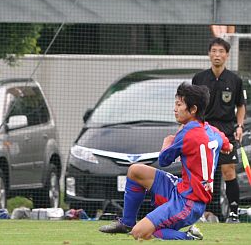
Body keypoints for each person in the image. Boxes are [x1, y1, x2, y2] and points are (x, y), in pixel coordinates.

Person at [99, 82, 233, 240]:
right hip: (182, 188)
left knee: (139, 233)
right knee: (135, 171)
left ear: (193, 109)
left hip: (189, 202)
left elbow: (164, 160)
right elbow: (227, 145)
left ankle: (189, 237)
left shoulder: (187, 134)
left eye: (179, 104)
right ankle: (127, 222)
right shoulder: (212, 130)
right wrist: (227, 147)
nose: (174, 109)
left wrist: (168, 141)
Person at [192, 37, 246, 223]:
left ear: (227, 55)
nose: (217, 55)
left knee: (229, 170)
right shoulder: (199, 79)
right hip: (203, 129)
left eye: (221, 51)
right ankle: (199, 213)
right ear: (209, 54)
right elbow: (192, 107)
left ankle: (233, 213)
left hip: (226, 130)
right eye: (214, 51)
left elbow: (241, 106)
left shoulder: (235, 79)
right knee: (201, 173)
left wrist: (239, 126)